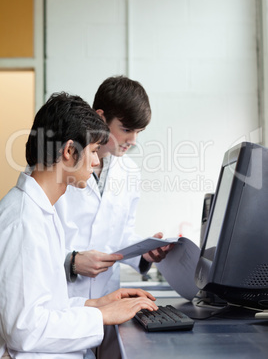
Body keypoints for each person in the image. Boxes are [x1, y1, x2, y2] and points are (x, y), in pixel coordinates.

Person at [0, 92, 158, 359]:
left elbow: (48, 305)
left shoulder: (40, 212)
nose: (97, 161)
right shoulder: (23, 222)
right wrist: (100, 315)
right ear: (70, 151)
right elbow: (24, 329)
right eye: (94, 151)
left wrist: (97, 303)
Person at [55, 77, 173, 358]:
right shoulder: (61, 164)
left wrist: (145, 253)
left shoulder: (129, 172)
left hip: (107, 301)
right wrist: (71, 261)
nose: (133, 140)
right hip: (65, 301)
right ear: (101, 118)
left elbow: (120, 235)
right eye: (127, 129)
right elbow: (37, 237)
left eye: (139, 132)